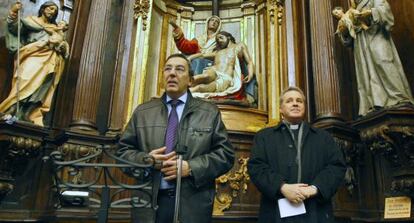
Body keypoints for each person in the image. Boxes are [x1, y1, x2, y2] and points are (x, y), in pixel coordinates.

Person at [117, 53, 234, 223]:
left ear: (190, 81)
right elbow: (122, 152)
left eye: (179, 69)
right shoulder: (143, 112)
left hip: (192, 204)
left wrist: (191, 167)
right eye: (168, 69)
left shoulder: (209, 112)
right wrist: (147, 160)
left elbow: (225, 155)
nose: (172, 73)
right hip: (148, 203)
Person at [247, 86, 346, 223]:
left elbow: (337, 167)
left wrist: (314, 189)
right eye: (289, 101)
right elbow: (256, 167)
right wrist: (282, 187)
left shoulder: (323, 137)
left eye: (299, 101)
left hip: (316, 211)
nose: (295, 103)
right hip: (276, 211)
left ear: (304, 107)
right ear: (281, 109)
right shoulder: (264, 137)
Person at [336, 0, 414, 116]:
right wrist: (344, 31)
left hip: (377, 36)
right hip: (361, 44)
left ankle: (399, 97)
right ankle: (374, 103)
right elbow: (348, 39)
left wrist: (370, 13)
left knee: (383, 62)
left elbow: (385, 12)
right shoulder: (352, 9)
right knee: (365, 72)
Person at [0, 1, 68, 125]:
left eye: (55, 11)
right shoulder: (31, 21)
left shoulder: (56, 29)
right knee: (24, 80)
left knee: (41, 87)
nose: (52, 12)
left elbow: (63, 47)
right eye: (50, 8)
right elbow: (14, 29)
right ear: (43, 9)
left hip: (50, 59)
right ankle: (11, 109)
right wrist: (14, 12)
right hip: (32, 55)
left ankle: (27, 113)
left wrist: (61, 46)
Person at [188, 31, 255, 99]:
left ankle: (184, 94)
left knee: (200, 87)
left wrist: (250, 74)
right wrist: (190, 58)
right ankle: (183, 85)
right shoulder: (218, 52)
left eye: (221, 37)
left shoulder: (239, 45)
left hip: (225, 76)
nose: (219, 40)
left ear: (228, 37)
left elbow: (249, 62)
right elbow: (203, 55)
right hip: (214, 70)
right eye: (217, 40)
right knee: (205, 76)